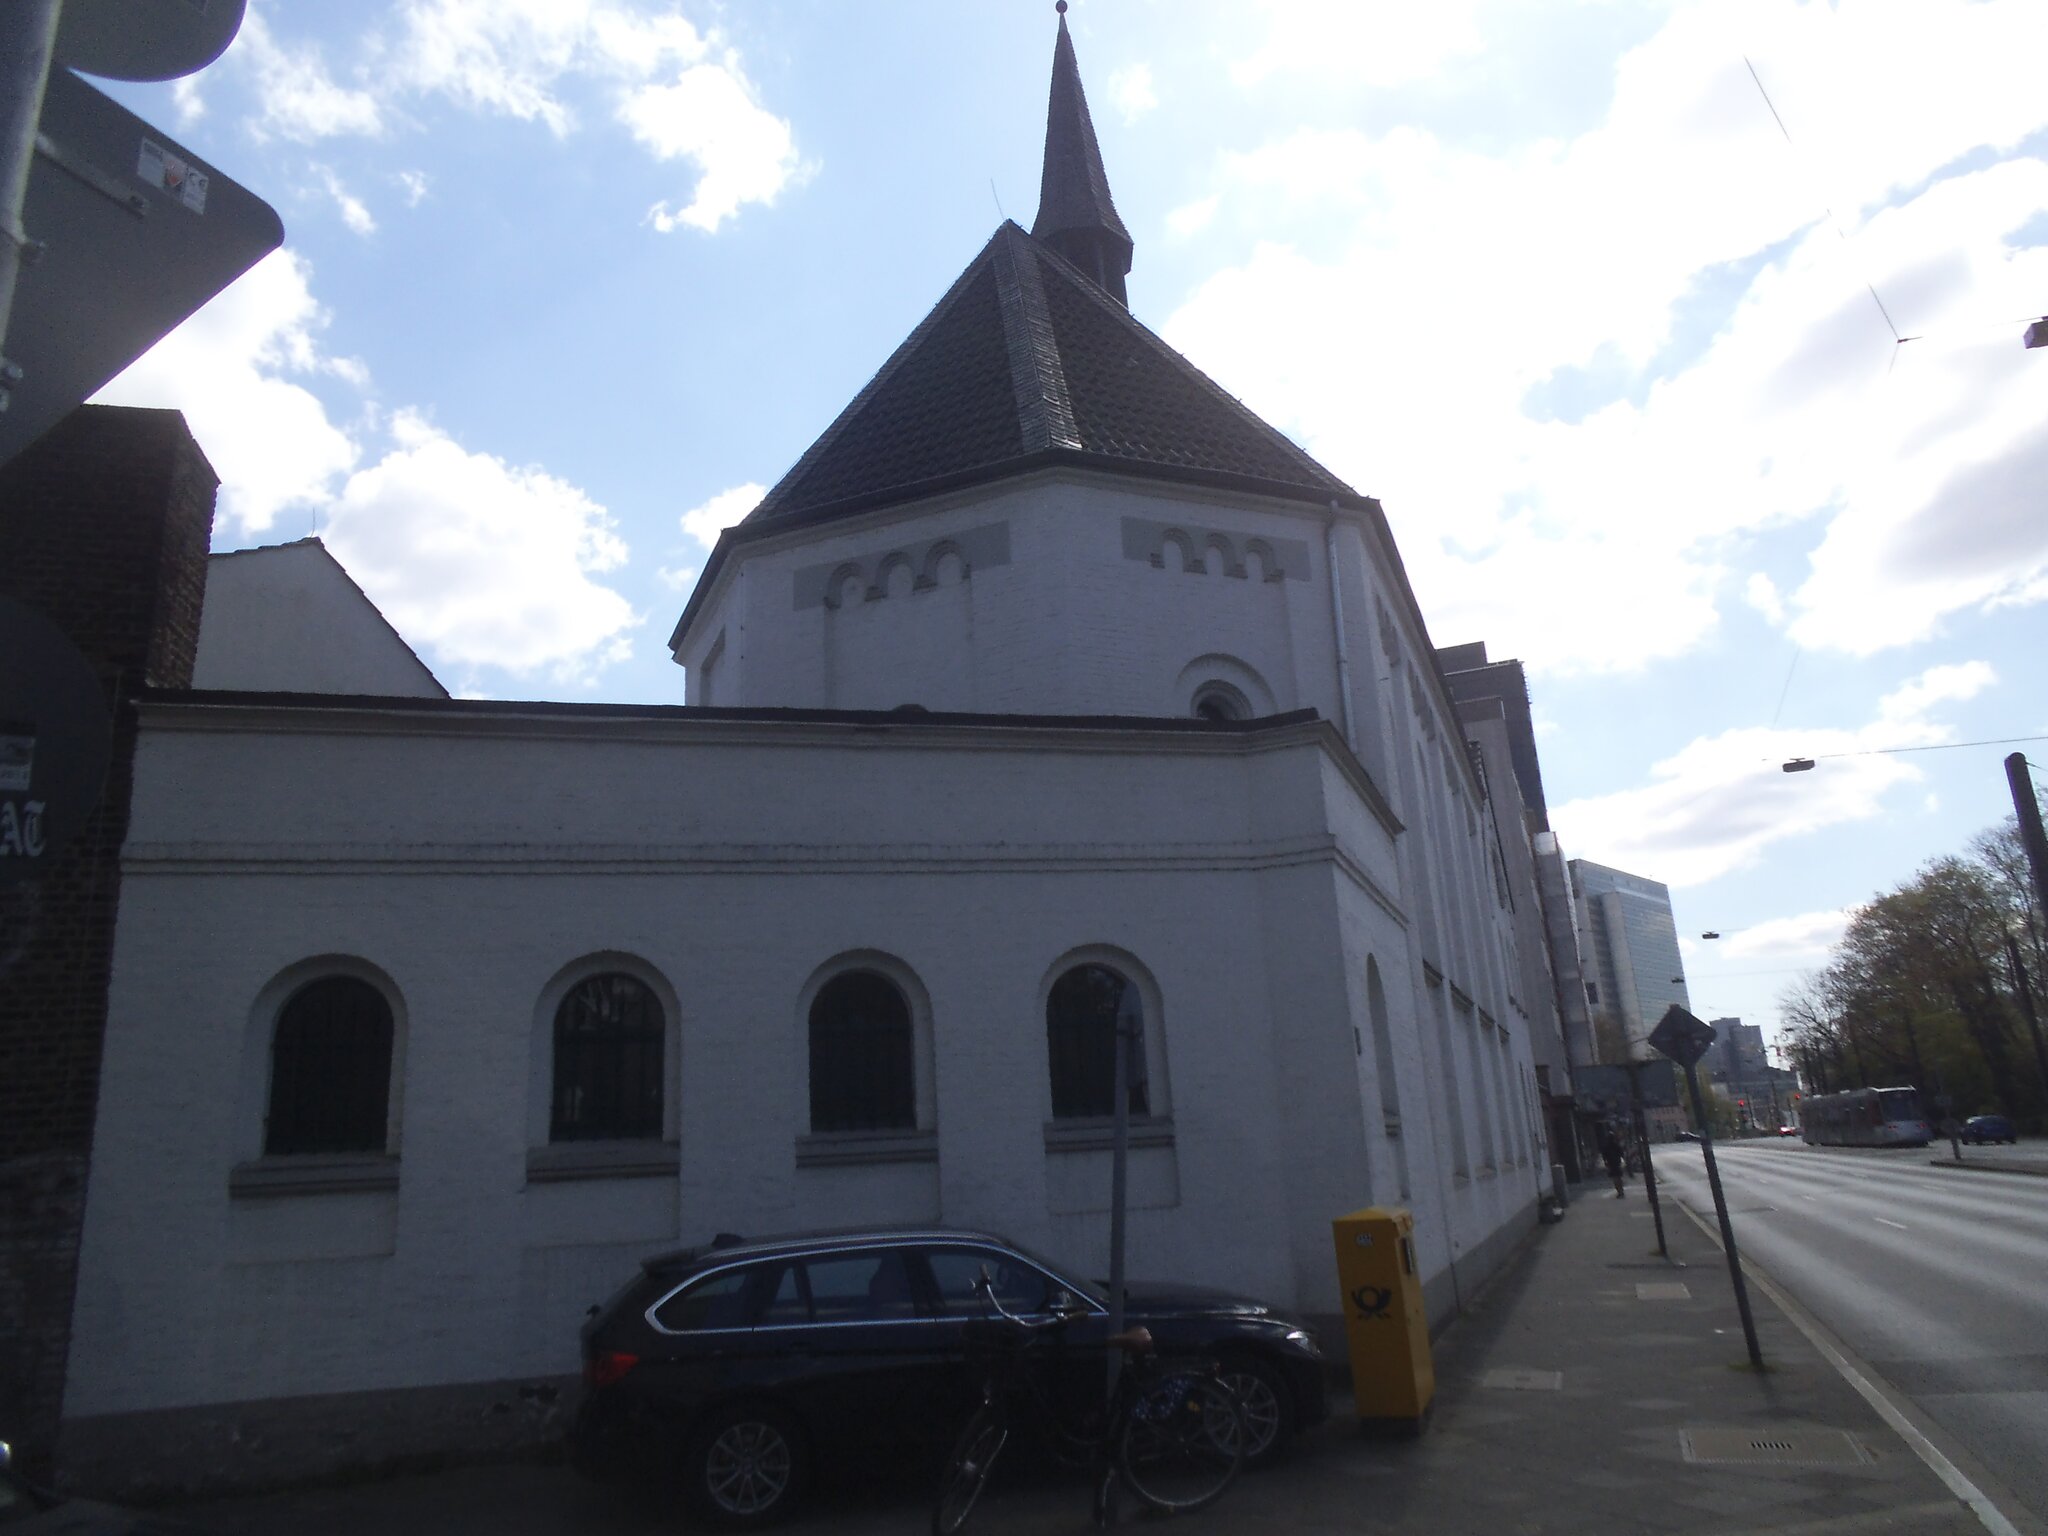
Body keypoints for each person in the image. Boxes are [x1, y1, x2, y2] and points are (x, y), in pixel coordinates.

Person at [1597, 1123, 1625, 1197]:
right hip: (1617, 1163)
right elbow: (1621, 1153)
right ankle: (1621, 1190)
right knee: (1619, 1177)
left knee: (1615, 1178)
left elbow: (1604, 1155)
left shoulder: (1606, 1146)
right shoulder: (1616, 1145)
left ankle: (1619, 1191)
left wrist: (1606, 1163)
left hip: (1611, 1164)